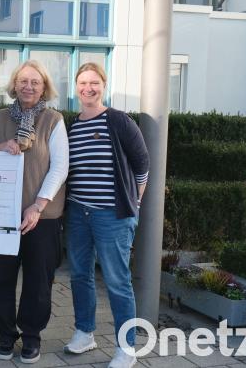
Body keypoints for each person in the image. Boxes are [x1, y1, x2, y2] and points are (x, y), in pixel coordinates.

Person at [62, 62, 149, 368]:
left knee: (116, 279)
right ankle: (85, 333)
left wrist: (132, 203)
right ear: (76, 88)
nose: (89, 88)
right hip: (77, 213)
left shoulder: (118, 120)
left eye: (94, 82)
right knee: (80, 275)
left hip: (112, 216)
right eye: (83, 83)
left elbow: (142, 165)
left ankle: (127, 348)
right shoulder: (72, 125)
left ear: (104, 85)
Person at [0, 60, 69, 364]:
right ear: (14, 85)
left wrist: (38, 205)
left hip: (42, 219)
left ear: (44, 86)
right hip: (0, 216)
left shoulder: (53, 120)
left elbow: (60, 167)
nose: (28, 87)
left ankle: (31, 337)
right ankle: (6, 335)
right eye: (23, 81)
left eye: (35, 82)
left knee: (38, 283)